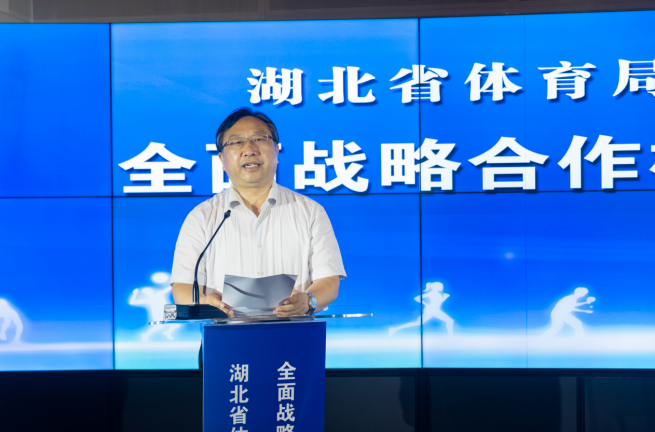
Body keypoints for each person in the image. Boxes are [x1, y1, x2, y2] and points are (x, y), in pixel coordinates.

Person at [170, 107, 345, 319]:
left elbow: (329, 280)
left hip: (296, 333)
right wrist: (207, 303)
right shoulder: (202, 217)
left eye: (260, 139)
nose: (249, 149)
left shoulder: (310, 211)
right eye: (236, 142)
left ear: (277, 151)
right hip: (225, 335)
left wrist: (307, 301)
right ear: (221, 159)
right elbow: (182, 287)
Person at [388, 282, 454, 337]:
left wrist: (445, 297)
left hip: (435, 310)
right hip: (431, 310)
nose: (442, 287)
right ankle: (394, 329)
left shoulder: (437, 294)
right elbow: (417, 298)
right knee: (450, 321)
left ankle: (394, 329)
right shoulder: (431, 293)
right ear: (436, 287)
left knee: (418, 323)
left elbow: (438, 302)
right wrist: (427, 305)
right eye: (441, 286)